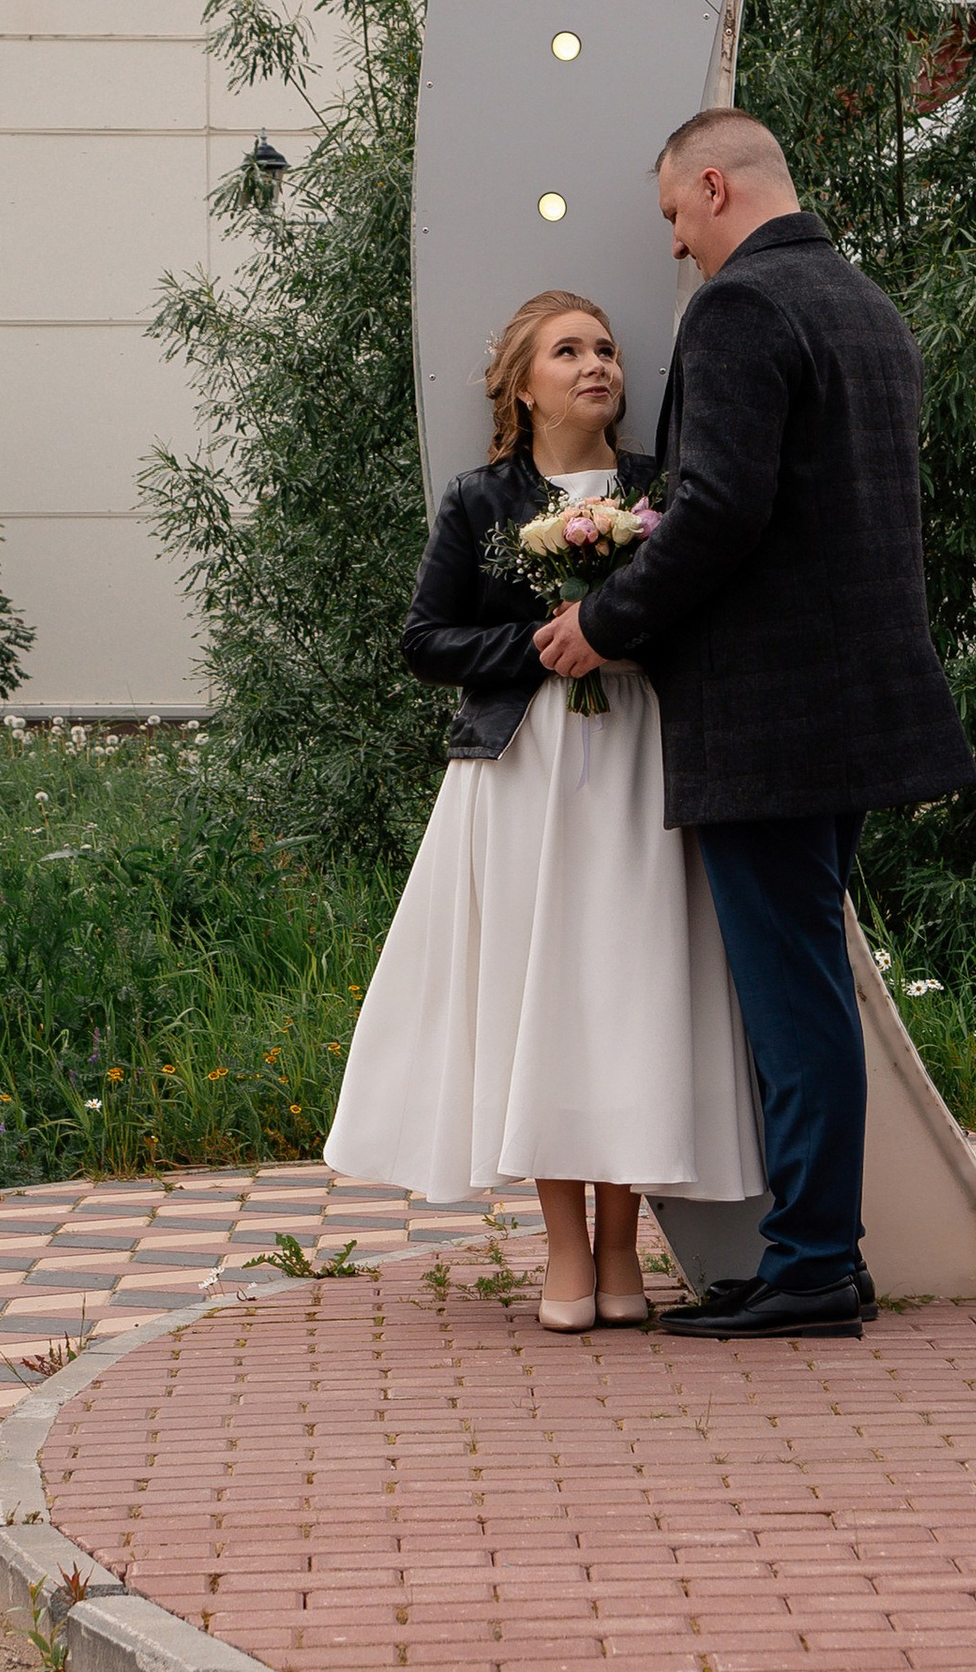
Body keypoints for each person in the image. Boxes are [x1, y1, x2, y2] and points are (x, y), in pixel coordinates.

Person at [533, 110, 976, 1340]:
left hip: (772, 716)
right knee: (806, 988)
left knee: (791, 1001)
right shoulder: (865, 308)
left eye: (675, 215)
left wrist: (605, 623)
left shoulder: (739, 311)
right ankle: (818, 1254)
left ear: (714, 186)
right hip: (855, 702)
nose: (676, 246)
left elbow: (720, 512)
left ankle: (815, 1266)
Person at [325, 287, 763, 1329]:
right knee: (541, 1001)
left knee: (630, 994)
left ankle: (625, 1249)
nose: (596, 364)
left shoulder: (667, 490)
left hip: (638, 767)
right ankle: (565, 1247)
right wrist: (537, 644)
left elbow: (711, 622)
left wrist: (618, 633)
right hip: (520, 774)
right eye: (568, 351)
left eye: (606, 348)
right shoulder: (482, 502)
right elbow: (425, 640)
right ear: (523, 385)